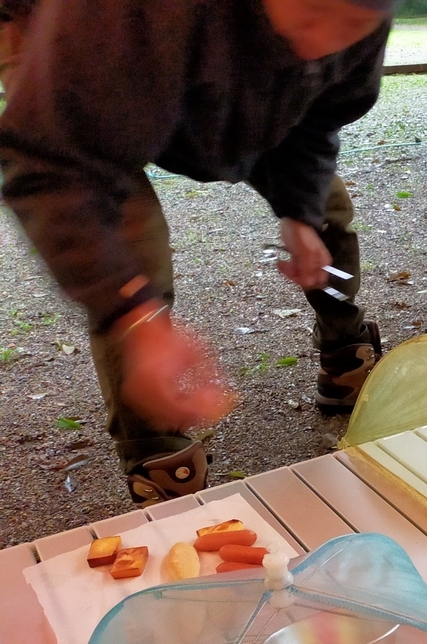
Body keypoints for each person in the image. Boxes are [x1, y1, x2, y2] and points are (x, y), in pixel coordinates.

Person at [0, 0, 393, 505]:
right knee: (132, 252)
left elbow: (315, 119)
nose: (322, 42)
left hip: (214, 52)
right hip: (67, 44)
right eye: (313, 9)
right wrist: (135, 316)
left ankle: (345, 351)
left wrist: (297, 211)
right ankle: (160, 461)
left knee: (324, 210)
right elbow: (56, 169)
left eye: (353, 22)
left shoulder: (355, 21)